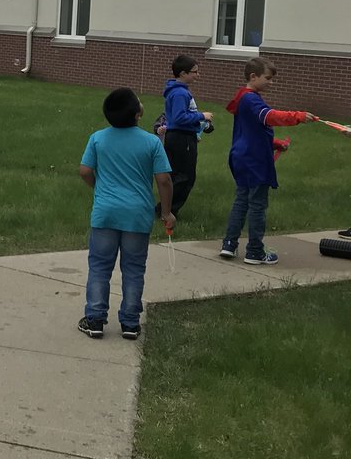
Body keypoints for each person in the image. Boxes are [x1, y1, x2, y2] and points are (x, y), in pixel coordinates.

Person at [78, 87, 175, 341]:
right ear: (137, 114)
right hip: (137, 215)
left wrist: (99, 189)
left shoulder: (98, 138)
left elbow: (85, 171)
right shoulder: (152, 142)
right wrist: (166, 212)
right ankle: (130, 323)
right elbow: (164, 180)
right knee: (133, 269)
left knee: (99, 266)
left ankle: (95, 319)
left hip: (105, 213)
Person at [220, 57, 315, 264]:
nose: (271, 83)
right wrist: (296, 116)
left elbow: (253, 131)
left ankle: (229, 244)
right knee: (257, 205)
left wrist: (275, 143)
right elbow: (268, 117)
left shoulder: (243, 98)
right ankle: (255, 251)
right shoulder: (252, 99)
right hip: (255, 161)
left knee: (241, 200)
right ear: (253, 77)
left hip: (241, 157)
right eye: (268, 78)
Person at [160, 55, 213, 220]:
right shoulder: (180, 94)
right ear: (183, 73)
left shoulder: (181, 92)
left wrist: (199, 125)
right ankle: (167, 212)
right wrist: (201, 115)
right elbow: (178, 118)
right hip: (181, 139)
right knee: (185, 177)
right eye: (194, 72)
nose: (198, 75)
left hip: (182, 136)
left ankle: (164, 210)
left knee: (178, 176)